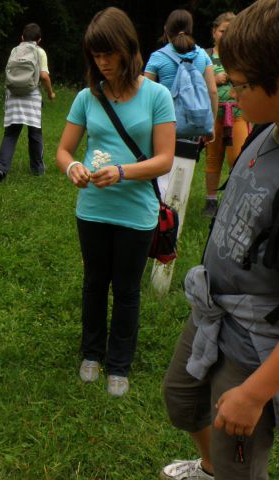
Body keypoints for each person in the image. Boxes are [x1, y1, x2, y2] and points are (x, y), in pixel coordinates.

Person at [160, 1, 279, 478]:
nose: (227, 89)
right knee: (183, 402)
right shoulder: (271, 126)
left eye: (240, 83)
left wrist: (254, 393)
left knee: (239, 462)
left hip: (258, 347)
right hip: (215, 310)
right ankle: (210, 467)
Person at [55, 7, 175, 397]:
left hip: (136, 211)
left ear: (128, 48)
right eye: (95, 55)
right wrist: (73, 166)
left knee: (126, 290)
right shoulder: (87, 98)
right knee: (94, 283)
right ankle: (91, 352)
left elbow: (164, 159)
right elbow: (64, 149)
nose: (102, 63)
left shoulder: (156, 96)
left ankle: (119, 363)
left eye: (108, 54)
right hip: (93, 208)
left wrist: (122, 172)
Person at [144, 9, 218, 197]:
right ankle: (176, 216)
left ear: (166, 30)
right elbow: (212, 91)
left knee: (160, 176)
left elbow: (146, 94)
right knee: (181, 179)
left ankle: (160, 216)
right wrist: (210, 125)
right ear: (190, 30)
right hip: (194, 123)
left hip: (163, 124)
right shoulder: (203, 56)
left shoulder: (158, 57)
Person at [0, 23, 56, 183]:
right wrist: (50, 93)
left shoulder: (15, 50)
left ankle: (0, 168)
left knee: (11, 134)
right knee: (35, 134)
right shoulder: (40, 52)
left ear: (22, 38)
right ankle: (37, 169)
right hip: (31, 96)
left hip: (13, 96)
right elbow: (44, 76)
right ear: (39, 40)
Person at [202, 12, 249, 217]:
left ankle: (234, 200)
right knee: (213, 158)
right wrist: (213, 78)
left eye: (231, 31)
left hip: (238, 113)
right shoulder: (204, 55)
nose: (226, 34)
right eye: (222, 31)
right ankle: (211, 201)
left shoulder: (242, 55)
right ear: (214, 32)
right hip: (213, 115)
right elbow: (193, 84)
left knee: (238, 158)